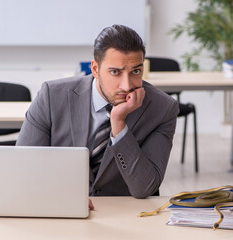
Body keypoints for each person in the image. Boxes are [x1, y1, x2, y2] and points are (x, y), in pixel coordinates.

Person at [16, 25, 179, 201]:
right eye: (115, 72)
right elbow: (24, 169)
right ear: (95, 69)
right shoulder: (51, 96)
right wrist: (65, 200)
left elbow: (144, 188)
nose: (127, 85)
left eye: (136, 71)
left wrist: (119, 125)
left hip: (125, 216)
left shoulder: (162, 109)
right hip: (60, 208)